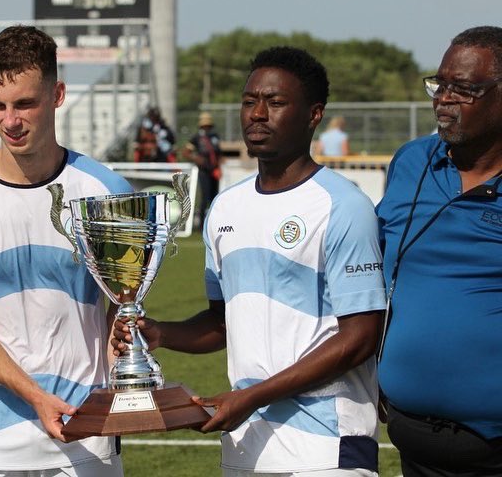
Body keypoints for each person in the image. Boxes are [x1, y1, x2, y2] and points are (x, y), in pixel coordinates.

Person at [113, 47, 386, 476]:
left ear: (314, 114)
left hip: (325, 447)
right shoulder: (225, 208)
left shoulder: (343, 206)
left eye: (275, 102)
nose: (257, 113)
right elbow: (223, 323)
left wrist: (252, 396)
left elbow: (361, 338)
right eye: (248, 101)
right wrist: (159, 333)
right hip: (246, 448)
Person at [0, 25, 132, 476]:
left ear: (57, 94)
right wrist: (35, 396)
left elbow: (123, 313)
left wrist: (131, 382)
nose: (9, 120)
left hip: (86, 429)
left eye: (24, 103)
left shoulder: (107, 191)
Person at [376, 25, 502, 476]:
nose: (444, 99)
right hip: (414, 441)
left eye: (464, 89)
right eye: (440, 84)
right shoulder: (411, 161)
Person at [182, 111, 222, 225]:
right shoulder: (197, 138)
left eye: (208, 125)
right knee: (205, 197)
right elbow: (186, 152)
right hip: (204, 170)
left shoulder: (215, 137)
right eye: (205, 125)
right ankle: (201, 224)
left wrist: (218, 167)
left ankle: (214, 222)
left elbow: (218, 153)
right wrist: (196, 158)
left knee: (215, 197)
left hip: (214, 170)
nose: (207, 127)